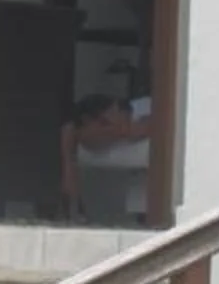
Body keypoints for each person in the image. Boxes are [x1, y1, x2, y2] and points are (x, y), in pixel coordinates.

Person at [59, 92, 152, 221]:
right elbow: (69, 128)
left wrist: (130, 129)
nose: (109, 129)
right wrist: (68, 171)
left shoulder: (146, 110)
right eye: (105, 123)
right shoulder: (81, 138)